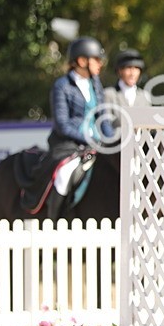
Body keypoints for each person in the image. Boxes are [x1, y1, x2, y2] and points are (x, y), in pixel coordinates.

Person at [25, 36, 113, 218]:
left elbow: (103, 117)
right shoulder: (62, 86)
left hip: (96, 145)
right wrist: (91, 141)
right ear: (82, 61)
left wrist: (111, 141)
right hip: (69, 146)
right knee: (64, 175)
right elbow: (63, 125)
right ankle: (54, 221)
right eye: (96, 59)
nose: (100, 64)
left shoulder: (96, 84)